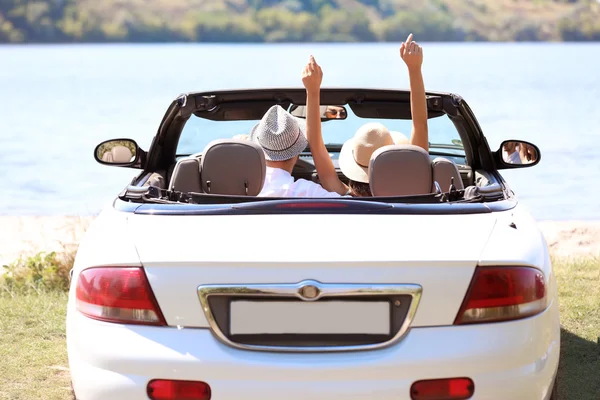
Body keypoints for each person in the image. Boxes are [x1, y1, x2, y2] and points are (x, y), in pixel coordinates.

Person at [302, 33, 429, 197]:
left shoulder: (342, 193)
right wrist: (414, 68)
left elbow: (315, 144)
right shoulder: (412, 188)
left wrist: (312, 91)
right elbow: (420, 125)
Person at [249, 104, 342, 197]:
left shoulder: (242, 189)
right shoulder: (309, 192)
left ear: (260, 151)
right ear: (298, 152)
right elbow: (350, 205)